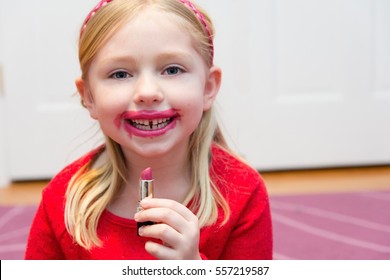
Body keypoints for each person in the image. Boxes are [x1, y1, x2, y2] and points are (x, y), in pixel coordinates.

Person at [25, 0, 272, 260]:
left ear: (208, 87)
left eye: (172, 69)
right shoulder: (63, 198)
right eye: (120, 74)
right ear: (89, 97)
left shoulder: (243, 191)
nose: (147, 93)